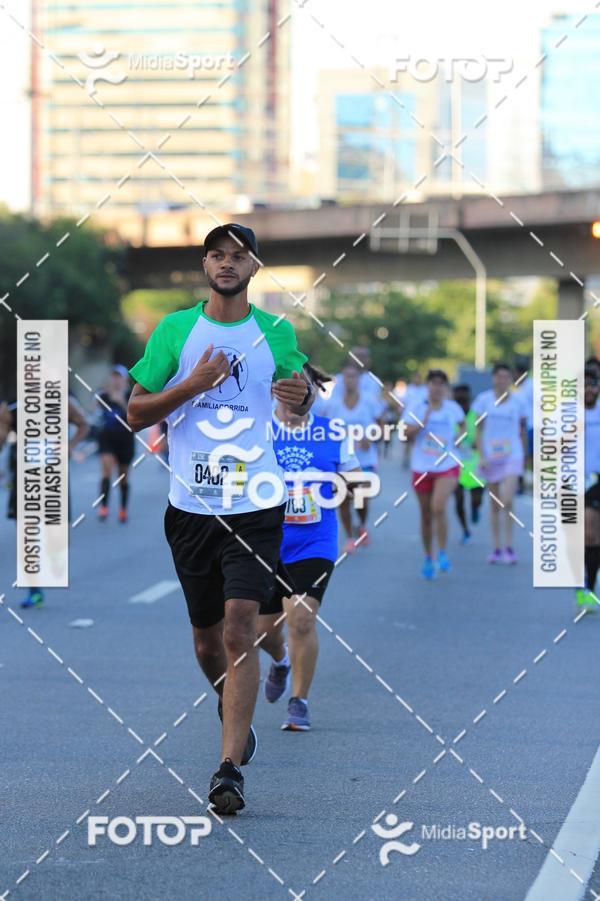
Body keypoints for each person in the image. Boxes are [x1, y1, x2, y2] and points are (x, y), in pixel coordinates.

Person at [127, 223, 314, 815]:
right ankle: (233, 705)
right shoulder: (176, 330)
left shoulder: (275, 331)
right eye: (217, 255)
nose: (227, 263)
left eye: (239, 256)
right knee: (208, 643)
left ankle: (228, 770)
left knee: (239, 629)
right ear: (205, 266)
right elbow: (135, 413)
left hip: (256, 504)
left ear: (255, 267)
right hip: (191, 510)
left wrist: (301, 399)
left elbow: (299, 397)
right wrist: (192, 384)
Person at [256, 364, 360, 730]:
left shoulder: (334, 431)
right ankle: (280, 661)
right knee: (261, 630)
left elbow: (355, 480)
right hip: (265, 541)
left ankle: (299, 701)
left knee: (301, 618)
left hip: (314, 541)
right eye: (289, 383)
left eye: (305, 384)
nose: (297, 390)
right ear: (274, 390)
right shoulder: (257, 430)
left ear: (314, 392)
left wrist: (343, 486)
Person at [4, 396, 89, 608]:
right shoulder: (13, 406)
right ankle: (35, 591)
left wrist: (70, 446)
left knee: (57, 537)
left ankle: (56, 557)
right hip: (24, 478)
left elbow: (83, 424)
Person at [405, 370, 464, 579]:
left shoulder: (452, 408)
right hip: (421, 467)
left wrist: (459, 438)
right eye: (433, 383)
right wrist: (422, 421)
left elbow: (463, 427)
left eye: (441, 383)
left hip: (447, 464)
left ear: (445, 387)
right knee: (426, 514)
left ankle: (442, 552)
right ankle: (428, 557)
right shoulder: (416, 407)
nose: (437, 387)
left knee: (438, 506)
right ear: (427, 386)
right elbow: (404, 434)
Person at [322, 362, 382, 553]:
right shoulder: (333, 404)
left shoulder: (369, 402)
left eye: (353, 376)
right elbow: (324, 428)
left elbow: (382, 424)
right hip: (341, 461)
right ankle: (349, 537)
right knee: (343, 500)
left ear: (359, 379)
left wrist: (371, 437)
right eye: (347, 376)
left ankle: (362, 524)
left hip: (365, 459)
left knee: (362, 498)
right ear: (342, 380)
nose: (350, 380)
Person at [473, 363, 527, 564]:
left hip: (513, 454)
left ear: (511, 379)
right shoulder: (483, 400)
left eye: (506, 377)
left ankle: (509, 545)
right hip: (491, 456)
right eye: (499, 376)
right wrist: (482, 455)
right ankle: (497, 547)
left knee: (507, 498)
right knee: (495, 503)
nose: (503, 380)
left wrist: (526, 456)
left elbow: (522, 430)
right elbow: (478, 430)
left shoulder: (518, 402)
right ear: (493, 378)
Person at [97, 365, 135, 523]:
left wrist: (121, 402)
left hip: (125, 440)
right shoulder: (103, 395)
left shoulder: (130, 395)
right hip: (107, 438)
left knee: (123, 476)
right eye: (113, 376)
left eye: (119, 377)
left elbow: (135, 417)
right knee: (106, 471)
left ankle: (123, 509)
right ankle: (104, 507)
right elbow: (94, 412)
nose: (116, 380)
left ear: (124, 379)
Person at [577, 365, 600, 609]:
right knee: (586, 533)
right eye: (584, 385)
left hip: (597, 479)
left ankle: (589, 585)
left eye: (593, 384)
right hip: (574, 479)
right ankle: (585, 584)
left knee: (593, 533)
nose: (589, 389)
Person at [452, 384, 484, 544]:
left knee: (476, 499)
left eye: (464, 399)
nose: (462, 402)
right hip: (455, 463)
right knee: (458, 500)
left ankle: (475, 508)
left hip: (475, 462)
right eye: (458, 400)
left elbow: (482, 435)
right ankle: (465, 530)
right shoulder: (450, 415)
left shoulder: (475, 416)